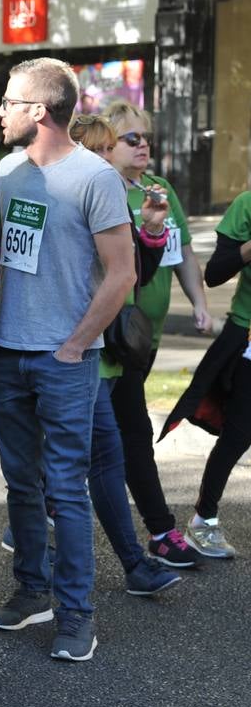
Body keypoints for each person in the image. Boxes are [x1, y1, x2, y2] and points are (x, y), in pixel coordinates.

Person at [0, 58, 136, 662]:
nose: (0, 112)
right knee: (20, 483)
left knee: (67, 490)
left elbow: (122, 274)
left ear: (38, 111)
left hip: (65, 361)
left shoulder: (96, 179)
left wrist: (75, 344)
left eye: (9, 102)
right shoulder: (7, 171)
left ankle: (77, 615)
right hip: (7, 355)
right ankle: (32, 591)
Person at [2, 115, 182, 598]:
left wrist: (147, 231)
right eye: (101, 149)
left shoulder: (105, 190)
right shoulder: (24, 177)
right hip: (61, 351)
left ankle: (119, 569)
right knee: (76, 464)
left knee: (97, 459)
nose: (108, 159)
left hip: (87, 352)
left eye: (111, 149)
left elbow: (129, 274)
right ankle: (84, 563)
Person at [101, 101, 214, 565]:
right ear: (108, 147)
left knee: (109, 431)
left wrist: (200, 303)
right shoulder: (105, 191)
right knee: (126, 431)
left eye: (145, 137)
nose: (143, 144)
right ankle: (159, 530)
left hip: (145, 338)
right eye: (132, 138)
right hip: (110, 339)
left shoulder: (160, 189)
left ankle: (42, 508)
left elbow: (182, 251)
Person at [162, 191, 251, 558]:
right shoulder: (246, 205)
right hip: (247, 335)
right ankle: (204, 520)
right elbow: (215, 273)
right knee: (239, 434)